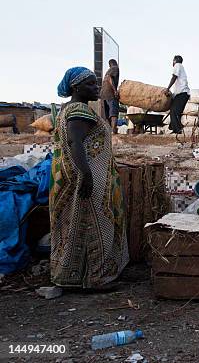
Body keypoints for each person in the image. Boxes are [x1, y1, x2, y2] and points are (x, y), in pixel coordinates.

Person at [49, 67, 129, 290]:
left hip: (75, 176)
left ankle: (72, 275)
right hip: (86, 177)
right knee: (96, 224)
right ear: (76, 87)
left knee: (76, 223)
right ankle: (96, 278)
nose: (97, 88)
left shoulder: (71, 109)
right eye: (91, 84)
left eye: (96, 83)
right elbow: (76, 142)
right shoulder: (78, 111)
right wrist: (86, 174)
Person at [164, 55, 190, 134]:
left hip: (182, 93)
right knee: (174, 110)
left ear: (175, 60)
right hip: (181, 93)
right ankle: (173, 127)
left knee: (174, 111)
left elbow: (174, 77)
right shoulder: (181, 67)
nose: (173, 62)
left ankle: (177, 129)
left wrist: (167, 88)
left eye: (173, 61)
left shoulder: (177, 65)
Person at [100, 59, 120, 134]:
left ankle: (109, 131)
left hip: (103, 95)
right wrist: (115, 90)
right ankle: (113, 130)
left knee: (107, 113)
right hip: (110, 93)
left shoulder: (107, 71)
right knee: (113, 112)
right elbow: (110, 78)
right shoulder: (115, 68)